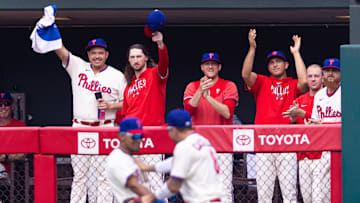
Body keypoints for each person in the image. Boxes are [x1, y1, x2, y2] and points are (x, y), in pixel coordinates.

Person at [54, 37, 126, 203]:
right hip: (80, 126)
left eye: (100, 53)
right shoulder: (78, 66)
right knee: (80, 175)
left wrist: (111, 106)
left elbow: (127, 103)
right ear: (88, 54)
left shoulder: (117, 75)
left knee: (105, 175)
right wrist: (52, 31)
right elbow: (61, 52)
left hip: (105, 127)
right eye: (93, 53)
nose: (97, 56)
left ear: (107, 54)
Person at [241, 29, 307, 203]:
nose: (275, 65)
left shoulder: (292, 83)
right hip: (265, 142)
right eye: (271, 62)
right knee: (264, 196)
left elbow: (305, 83)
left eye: (279, 61)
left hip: (287, 142)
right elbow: (246, 75)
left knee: (290, 195)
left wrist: (296, 53)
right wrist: (252, 48)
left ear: (286, 65)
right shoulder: (263, 81)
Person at [117, 31, 169, 192]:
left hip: (151, 135)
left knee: (155, 182)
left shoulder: (155, 75)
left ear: (146, 57)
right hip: (132, 139)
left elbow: (164, 64)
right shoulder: (129, 86)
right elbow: (124, 115)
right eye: (132, 57)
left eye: (139, 56)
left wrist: (160, 44)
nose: (135, 60)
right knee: (136, 184)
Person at [183, 52, 238, 202]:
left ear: (219, 67)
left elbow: (227, 112)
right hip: (198, 146)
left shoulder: (228, 85)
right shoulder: (192, 86)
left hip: (222, 145)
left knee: (224, 187)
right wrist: (200, 91)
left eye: (213, 64)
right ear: (202, 67)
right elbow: (188, 111)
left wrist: (208, 97)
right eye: (207, 64)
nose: (210, 66)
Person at [140, 109, 225, 203]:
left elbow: (173, 185)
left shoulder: (184, 146)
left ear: (174, 130)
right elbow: (176, 161)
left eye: (169, 130)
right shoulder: (202, 141)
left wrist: (151, 198)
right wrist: (148, 168)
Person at [282, 64, 325, 202]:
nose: (313, 79)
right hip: (303, 156)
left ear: (322, 79)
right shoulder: (299, 100)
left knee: (320, 199)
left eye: (316, 76)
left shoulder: (327, 98)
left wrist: (304, 114)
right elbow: (292, 129)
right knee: (307, 199)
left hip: (321, 157)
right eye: (310, 76)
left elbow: (324, 123)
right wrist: (293, 118)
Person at [304, 58, 342, 202]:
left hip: (343, 148)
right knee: (321, 193)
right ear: (323, 75)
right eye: (327, 70)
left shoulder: (346, 92)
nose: (330, 73)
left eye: (334, 70)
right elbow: (315, 120)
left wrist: (323, 124)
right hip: (325, 150)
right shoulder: (320, 95)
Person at [105, 117, 153, 203]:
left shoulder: (129, 157)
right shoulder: (118, 158)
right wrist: (158, 200)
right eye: (135, 136)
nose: (139, 140)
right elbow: (134, 185)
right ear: (122, 136)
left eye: (141, 136)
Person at [0, 91, 27, 202]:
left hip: (12, 172)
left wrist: (4, 157)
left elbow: (23, 154)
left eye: (6, 104)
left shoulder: (20, 126)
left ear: (12, 106)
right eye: (0, 104)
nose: (3, 107)